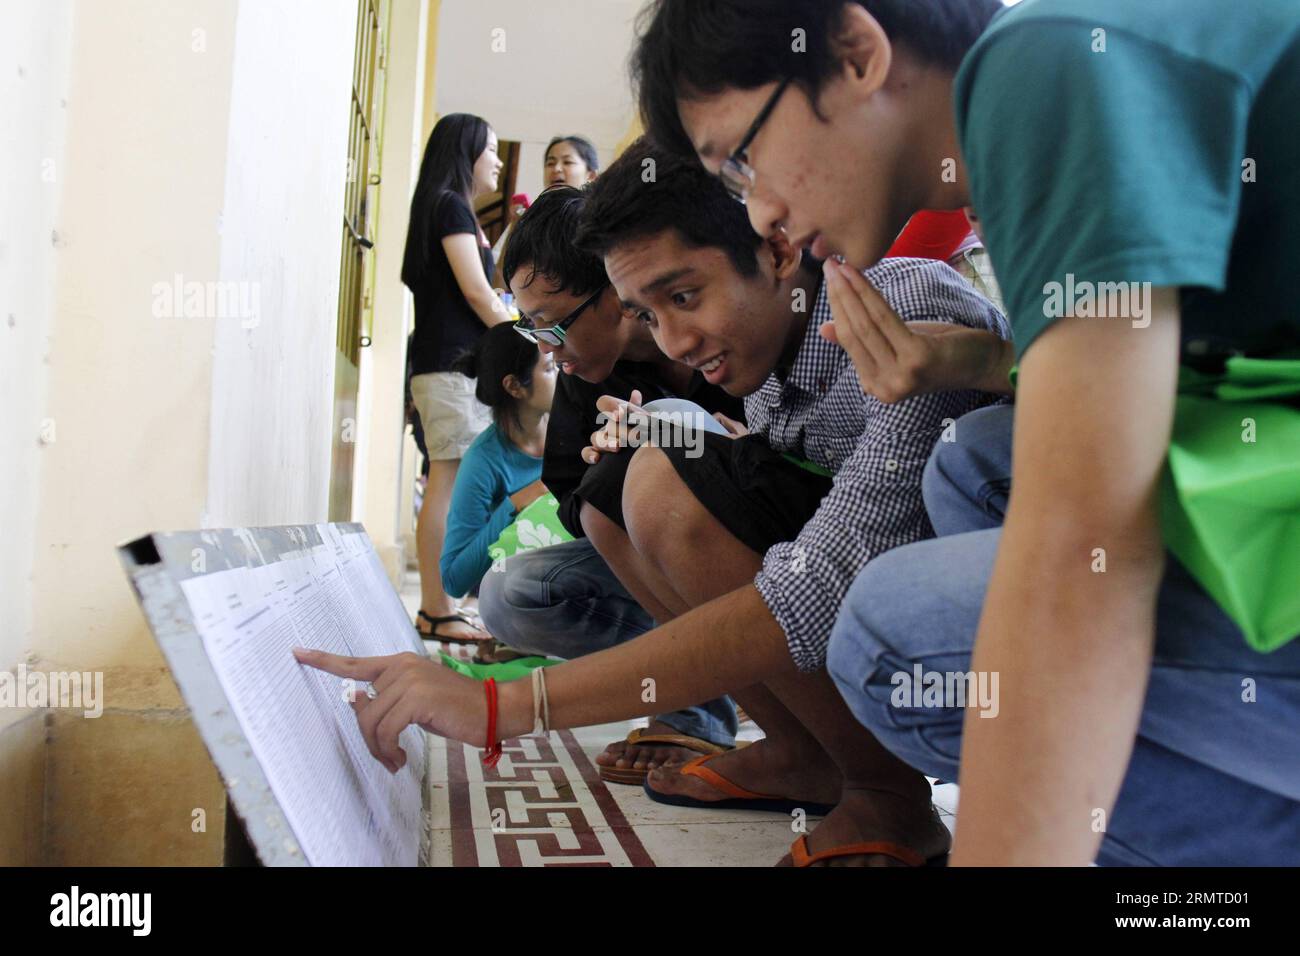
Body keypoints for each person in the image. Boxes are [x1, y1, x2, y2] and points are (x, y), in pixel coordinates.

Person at [628, 0, 1300, 866]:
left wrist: (515, 708)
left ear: (857, 51)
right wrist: (985, 362)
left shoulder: (1045, 70)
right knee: (973, 465)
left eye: (745, 159)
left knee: (890, 634)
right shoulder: (1048, 76)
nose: (758, 213)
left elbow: (1082, 547)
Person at [294, 136, 1009, 866]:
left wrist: (503, 706)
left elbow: (814, 586)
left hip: (991, 637)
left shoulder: (903, 315)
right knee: (617, 494)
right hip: (884, 586)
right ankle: (803, 751)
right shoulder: (762, 361)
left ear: (780, 249)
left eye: (684, 296)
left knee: (662, 480)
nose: (674, 338)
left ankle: (887, 794)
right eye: (649, 311)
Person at [479, 184, 746, 782]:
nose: (549, 351)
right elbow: (575, 499)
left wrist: (688, 443)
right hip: (650, 562)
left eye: (554, 325)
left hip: (764, 550)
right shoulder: (583, 373)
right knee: (508, 592)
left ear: (618, 293)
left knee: (675, 427)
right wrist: (616, 472)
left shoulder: (726, 335)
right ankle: (720, 674)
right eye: (533, 330)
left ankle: (710, 698)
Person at [401, 112, 510, 644]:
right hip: (450, 369)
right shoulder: (450, 206)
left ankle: (439, 607)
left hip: (444, 368)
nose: (498, 159)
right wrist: (530, 338)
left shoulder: (442, 207)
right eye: (490, 148)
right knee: (448, 480)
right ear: (465, 152)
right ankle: (436, 609)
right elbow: (477, 292)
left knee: (450, 478)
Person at [439, 323, 555, 601]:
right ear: (515, 386)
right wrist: (517, 504)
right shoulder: (483, 462)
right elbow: (454, 579)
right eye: (551, 369)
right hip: (527, 592)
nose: (565, 372)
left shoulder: (576, 430)